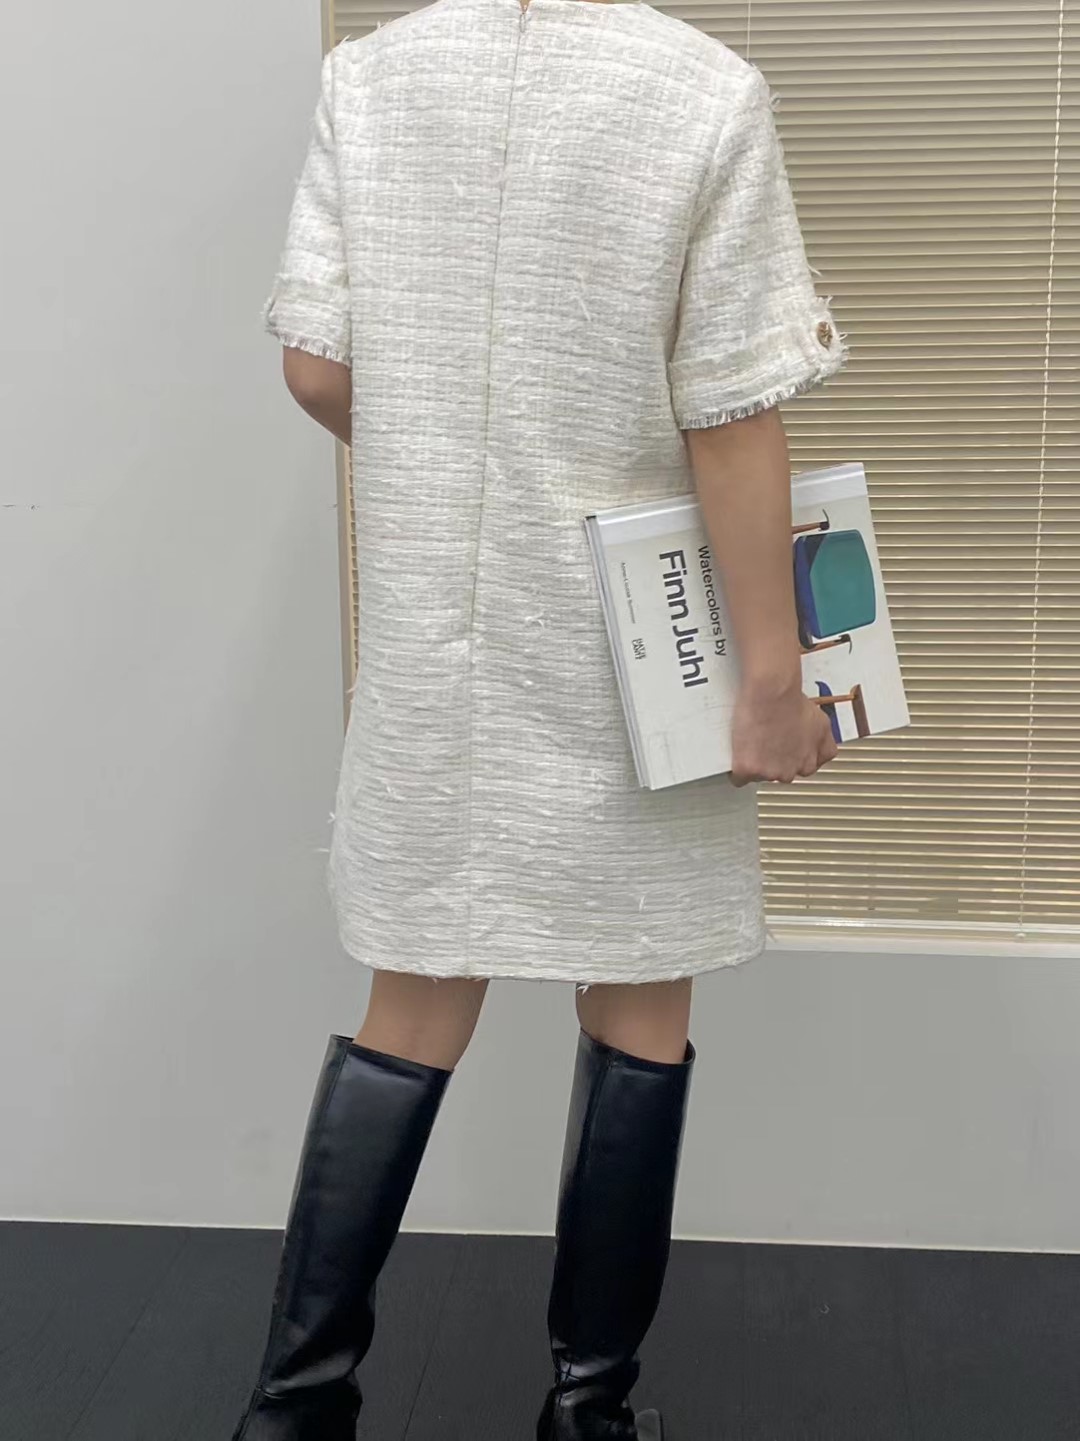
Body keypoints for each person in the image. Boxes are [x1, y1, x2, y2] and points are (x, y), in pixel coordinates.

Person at [231, 0, 846, 1435]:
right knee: (640, 1006)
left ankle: (295, 1403)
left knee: (411, 1002)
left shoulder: (371, 79)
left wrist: (446, 452)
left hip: (439, 641)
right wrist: (770, 675)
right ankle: (588, 1406)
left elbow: (316, 362)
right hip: (641, 644)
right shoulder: (701, 91)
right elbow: (731, 412)